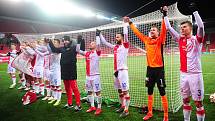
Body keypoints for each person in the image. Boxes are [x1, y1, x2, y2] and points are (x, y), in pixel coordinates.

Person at [123, 9, 168, 120]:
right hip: (150, 70)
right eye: (151, 30)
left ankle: (166, 116)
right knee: (149, 90)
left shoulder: (160, 40)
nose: (152, 31)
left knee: (162, 91)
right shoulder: (146, 39)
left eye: (154, 30)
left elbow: (164, 29)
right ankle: (150, 112)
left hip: (159, 70)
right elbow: (137, 32)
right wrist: (130, 22)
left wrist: (164, 15)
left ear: (157, 33)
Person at [163, 3, 205, 121]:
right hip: (183, 74)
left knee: (198, 103)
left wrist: (195, 11)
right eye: (181, 28)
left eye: (184, 27)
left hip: (195, 75)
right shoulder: (180, 39)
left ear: (191, 28)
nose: (181, 29)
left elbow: (201, 27)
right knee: (185, 100)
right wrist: (165, 14)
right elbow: (168, 28)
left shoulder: (197, 40)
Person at [98, 23, 130, 118]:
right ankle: (122, 105)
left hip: (123, 71)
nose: (116, 38)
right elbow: (105, 43)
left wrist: (125, 24)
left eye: (118, 37)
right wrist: (99, 34)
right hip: (116, 71)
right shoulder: (115, 47)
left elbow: (126, 35)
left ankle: (126, 110)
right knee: (119, 91)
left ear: (122, 38)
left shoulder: (125, 46)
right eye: (116, 37)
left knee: (125, 91)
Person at [48, 35, 84, 111]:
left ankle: (78, 105)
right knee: (67, 88)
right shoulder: (62, 48)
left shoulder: (74, 47)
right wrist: (50, 42)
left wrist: (80, 41)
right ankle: (69, 103)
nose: (65, 42)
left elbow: (81, 49)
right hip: (64, 71)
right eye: (64, 40)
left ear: (69, 40)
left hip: (71, 71)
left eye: (66, 40)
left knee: (74, 88)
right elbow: (54, 49)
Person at [76, 34, 102, 115]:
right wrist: (78, 41)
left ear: (95, 45)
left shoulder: (97, 52)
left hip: (95, 76)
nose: (91, 44)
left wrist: (97, 36)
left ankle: (99, 108)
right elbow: (77, 50)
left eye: (92, 43)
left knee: (98, 92)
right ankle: (92, 106)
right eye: (90, 43)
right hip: (88, 76)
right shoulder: (87, 53)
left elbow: (98, 45)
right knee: (89, 92)